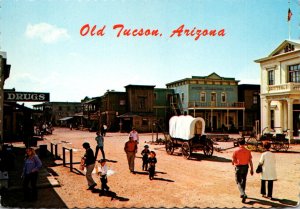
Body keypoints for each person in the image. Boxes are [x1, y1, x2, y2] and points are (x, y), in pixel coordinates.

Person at [232, 138, 254, 203]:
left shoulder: (236, 151)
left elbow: (233, 160)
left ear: (238, 143)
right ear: (245, 143)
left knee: (238, 181)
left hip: (238, 167)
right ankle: (243, 193)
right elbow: (250, 161)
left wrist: (233, 163)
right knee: (244, 180)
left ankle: (243, 194)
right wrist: (252, 169)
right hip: (245, 167)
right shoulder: (248, 151)